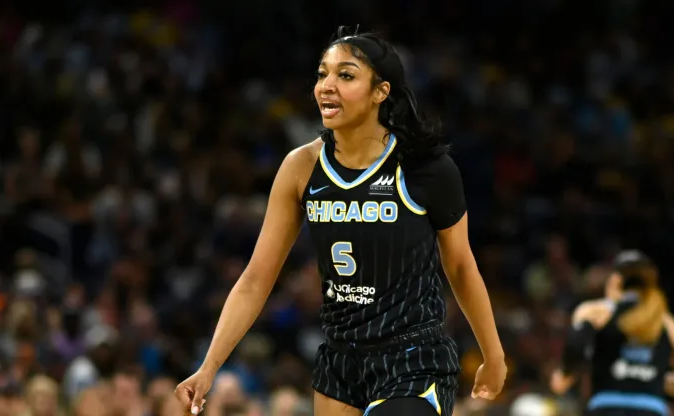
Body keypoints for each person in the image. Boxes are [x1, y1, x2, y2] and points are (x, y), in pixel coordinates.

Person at [175, 26, 507, 416]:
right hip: (340, 360)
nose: (326, 86)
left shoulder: (425, 168)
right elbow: (255, 279)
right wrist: (209, 366)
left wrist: (494, 354)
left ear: (380, 91)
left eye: (345, 75)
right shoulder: (300, 167)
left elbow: (461, 267)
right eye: (322, 74)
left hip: (413, 356)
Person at [549, 250, 674, 415]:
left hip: (607, 407)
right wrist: (654, 378)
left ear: (615, 280)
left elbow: (575, 345)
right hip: (650, 410)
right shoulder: (667, 322)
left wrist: (563, 377)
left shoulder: (597, 312)